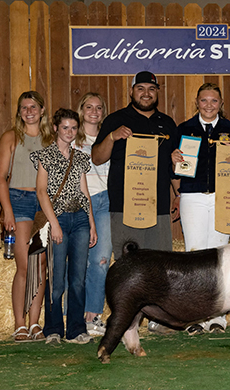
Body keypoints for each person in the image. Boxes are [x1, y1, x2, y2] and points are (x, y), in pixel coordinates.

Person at [91, 71, 182, 335]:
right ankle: (128, 320)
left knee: (160, 264)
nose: (146, 93)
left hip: (158, 205)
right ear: (132, 91)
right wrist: (112, 137)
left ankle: (159, 319)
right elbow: (96, 158)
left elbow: (175, 165)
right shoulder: (116, 120)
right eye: (140, 88)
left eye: (151, 89)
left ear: (157, 92)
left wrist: (178, 194)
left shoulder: (167, 123)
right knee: (128, 265)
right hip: (125, 205)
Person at [173, 83, 230, 334]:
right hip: (192, 196)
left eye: (214, 101)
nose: (209, 105)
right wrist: (172, 158)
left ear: (221, 104)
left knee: (220, 257)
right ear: (197, 102)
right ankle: (194, 316)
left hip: (224, 196)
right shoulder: (184, 129)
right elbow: (172, 169)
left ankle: (217, 317)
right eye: (204, 100)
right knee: (195, 255)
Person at [32, 108, 97, 345]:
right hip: (57, 217)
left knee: (78, 279)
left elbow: (84, 193)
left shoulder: (80, 157)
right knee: (56, 279)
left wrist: (91, 224)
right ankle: (53, 329)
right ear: (55, 128)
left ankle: (76, 329)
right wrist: (54, 224)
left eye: (73, 128)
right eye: (65, 127)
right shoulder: (45, 156)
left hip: (79, 218)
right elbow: (41, 192)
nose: (69, 132)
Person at [0, 91, 53, 342]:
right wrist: (6, 210)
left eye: (33, 107)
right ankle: (19, 323)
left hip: (44, 203)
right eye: (24, 108)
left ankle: (34, 323)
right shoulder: (11, 137)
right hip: (18, 200)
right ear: (19, 112)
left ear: (42, 110)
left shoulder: (51, 140)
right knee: (24, 265)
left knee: (40, 266)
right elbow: (0, 178)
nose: (29, 112)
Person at [74, 93, 111, 336]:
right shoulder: (71, 137)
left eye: (99, 107)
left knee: (101, 260)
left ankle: (93, 315)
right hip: (80, 202)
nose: (94, 112)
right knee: (78, 262)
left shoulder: (109, 138)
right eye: (89, 107)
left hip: (107, 200)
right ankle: (74, 316)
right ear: (81, 110)